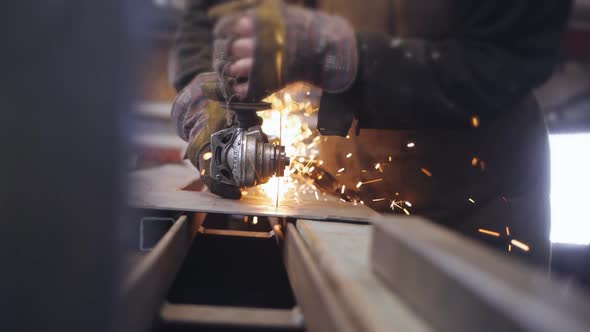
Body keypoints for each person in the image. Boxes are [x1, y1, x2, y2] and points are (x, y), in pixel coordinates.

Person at [170, 0, 572, 265]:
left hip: (474, 208)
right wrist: (205, 84)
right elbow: (211, 13)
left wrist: (345, 58)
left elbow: (509, 58)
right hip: (335, 199)